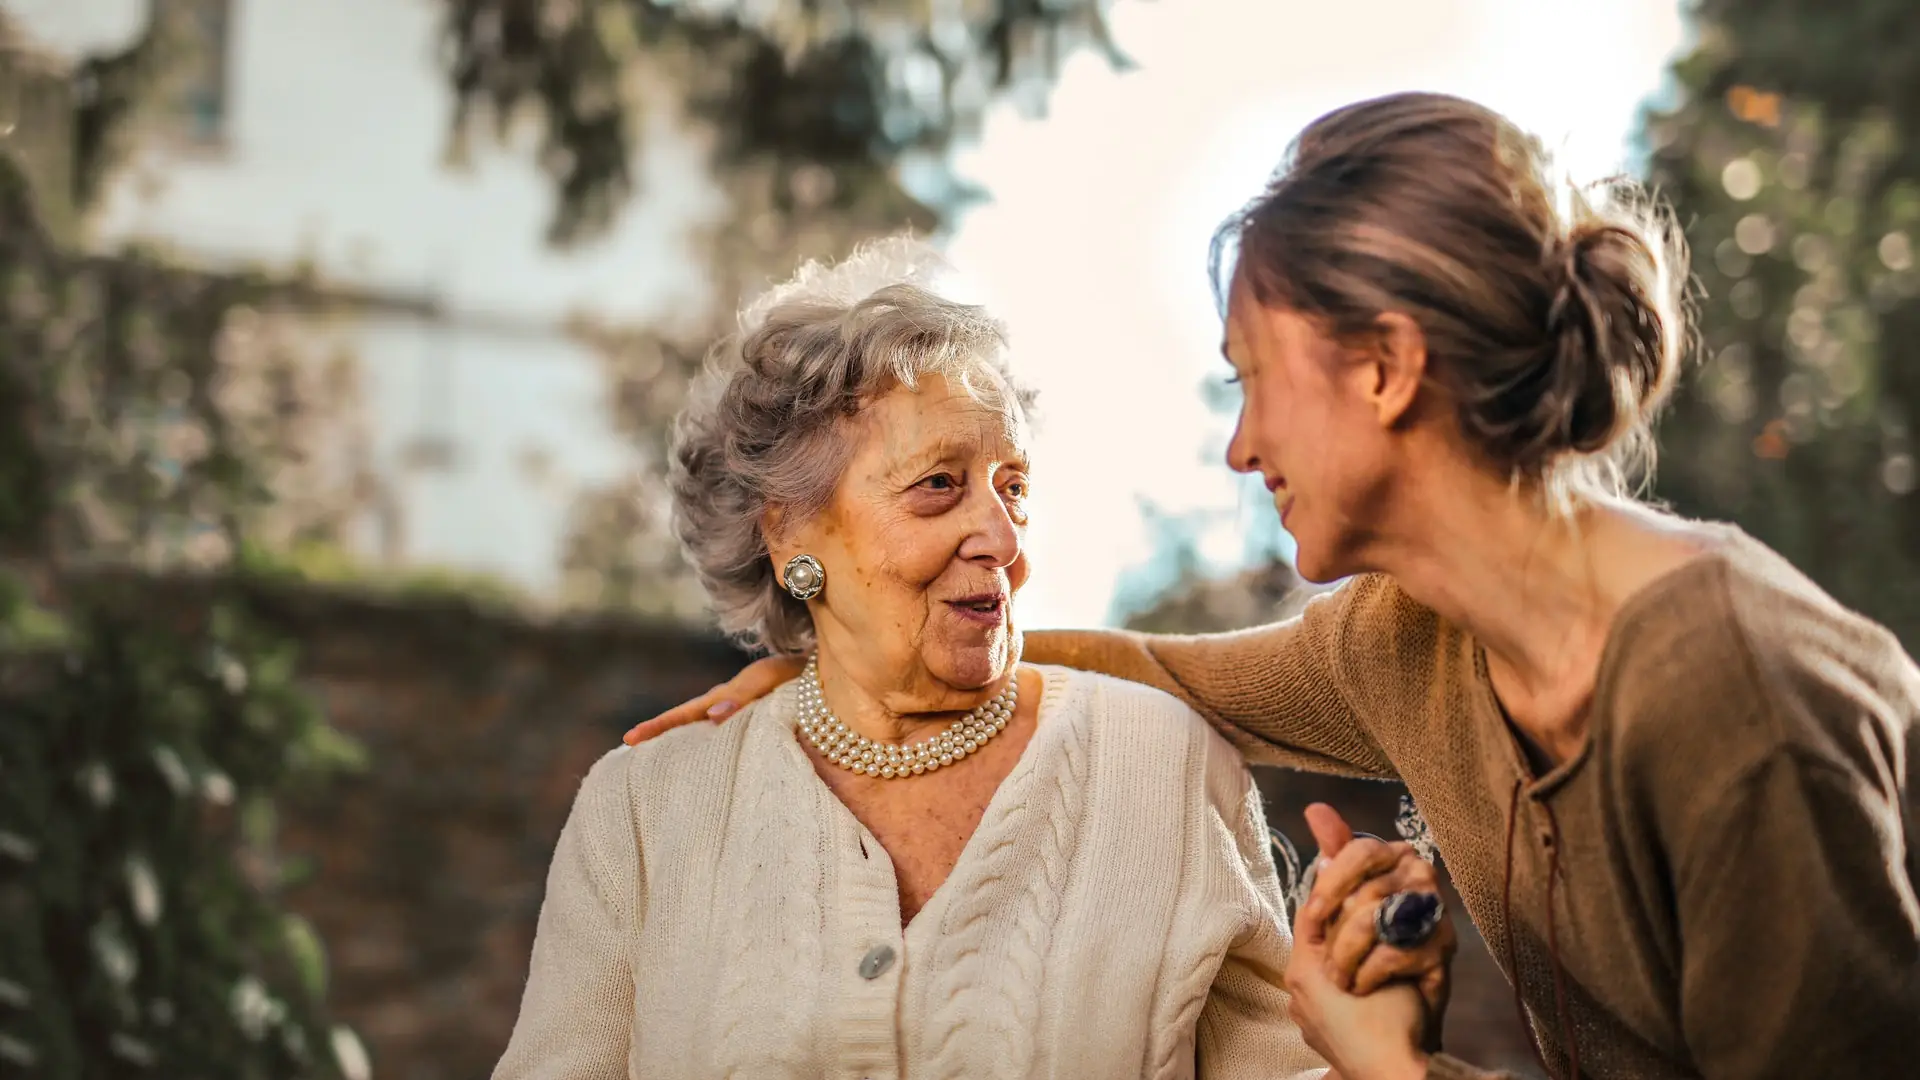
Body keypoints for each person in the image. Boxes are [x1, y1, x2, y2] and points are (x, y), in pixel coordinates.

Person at [624, 93, 1920, 1080]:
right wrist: (847, 656)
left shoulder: (1730, 701)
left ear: (1386, 368)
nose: (1241, 446)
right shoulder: (1409, 641)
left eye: (1251, 376)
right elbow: (1151, 670)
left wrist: (1389, 1073)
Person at [494, 239, 1340, 1080]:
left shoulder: (1167, 765)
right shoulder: (644, 811)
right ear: (788, 531)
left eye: (1013, 487)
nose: (1004, 540)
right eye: (940, 484)